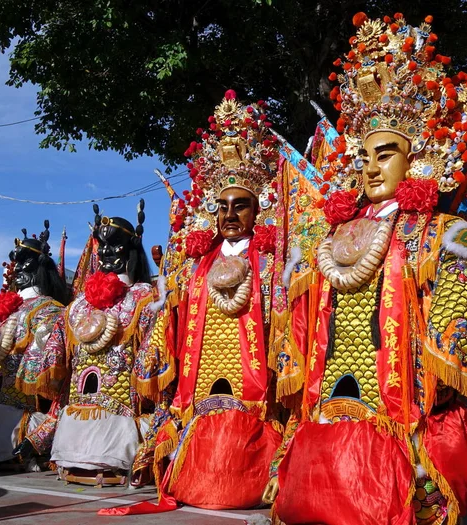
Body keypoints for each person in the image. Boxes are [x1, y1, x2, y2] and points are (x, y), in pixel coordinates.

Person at [264, 13, 467, 525]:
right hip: (333, 413)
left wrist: (451, 293)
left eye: (386, 154)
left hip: (410, 418)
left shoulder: (443, 231)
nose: (369, 167)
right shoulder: (335, 237)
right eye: (363, 156)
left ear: (419, 157)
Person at [145, 91, 286, 510]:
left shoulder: (273, 265)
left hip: (257, 391)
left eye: (240, 205)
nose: (228, 214)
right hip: (199, 384)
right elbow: (168, 318)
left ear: (258, 210)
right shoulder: (195, 267)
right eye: (221, 206)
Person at [21, 203, 170, 486]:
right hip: (74, 426)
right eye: (101, 245)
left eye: (116, 245)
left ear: (132, 248)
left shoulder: (144, 300)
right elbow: (64, 382)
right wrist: (39, 437)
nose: (106, 252)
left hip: (125, 413)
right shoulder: (76, 308)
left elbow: (157, 374)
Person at [0, 222, 67, 469]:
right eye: (17, 263)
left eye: (27, 263)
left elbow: (48, 373)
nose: (18, 270)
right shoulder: (4, 314)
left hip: (25, 409)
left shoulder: (49, 310)